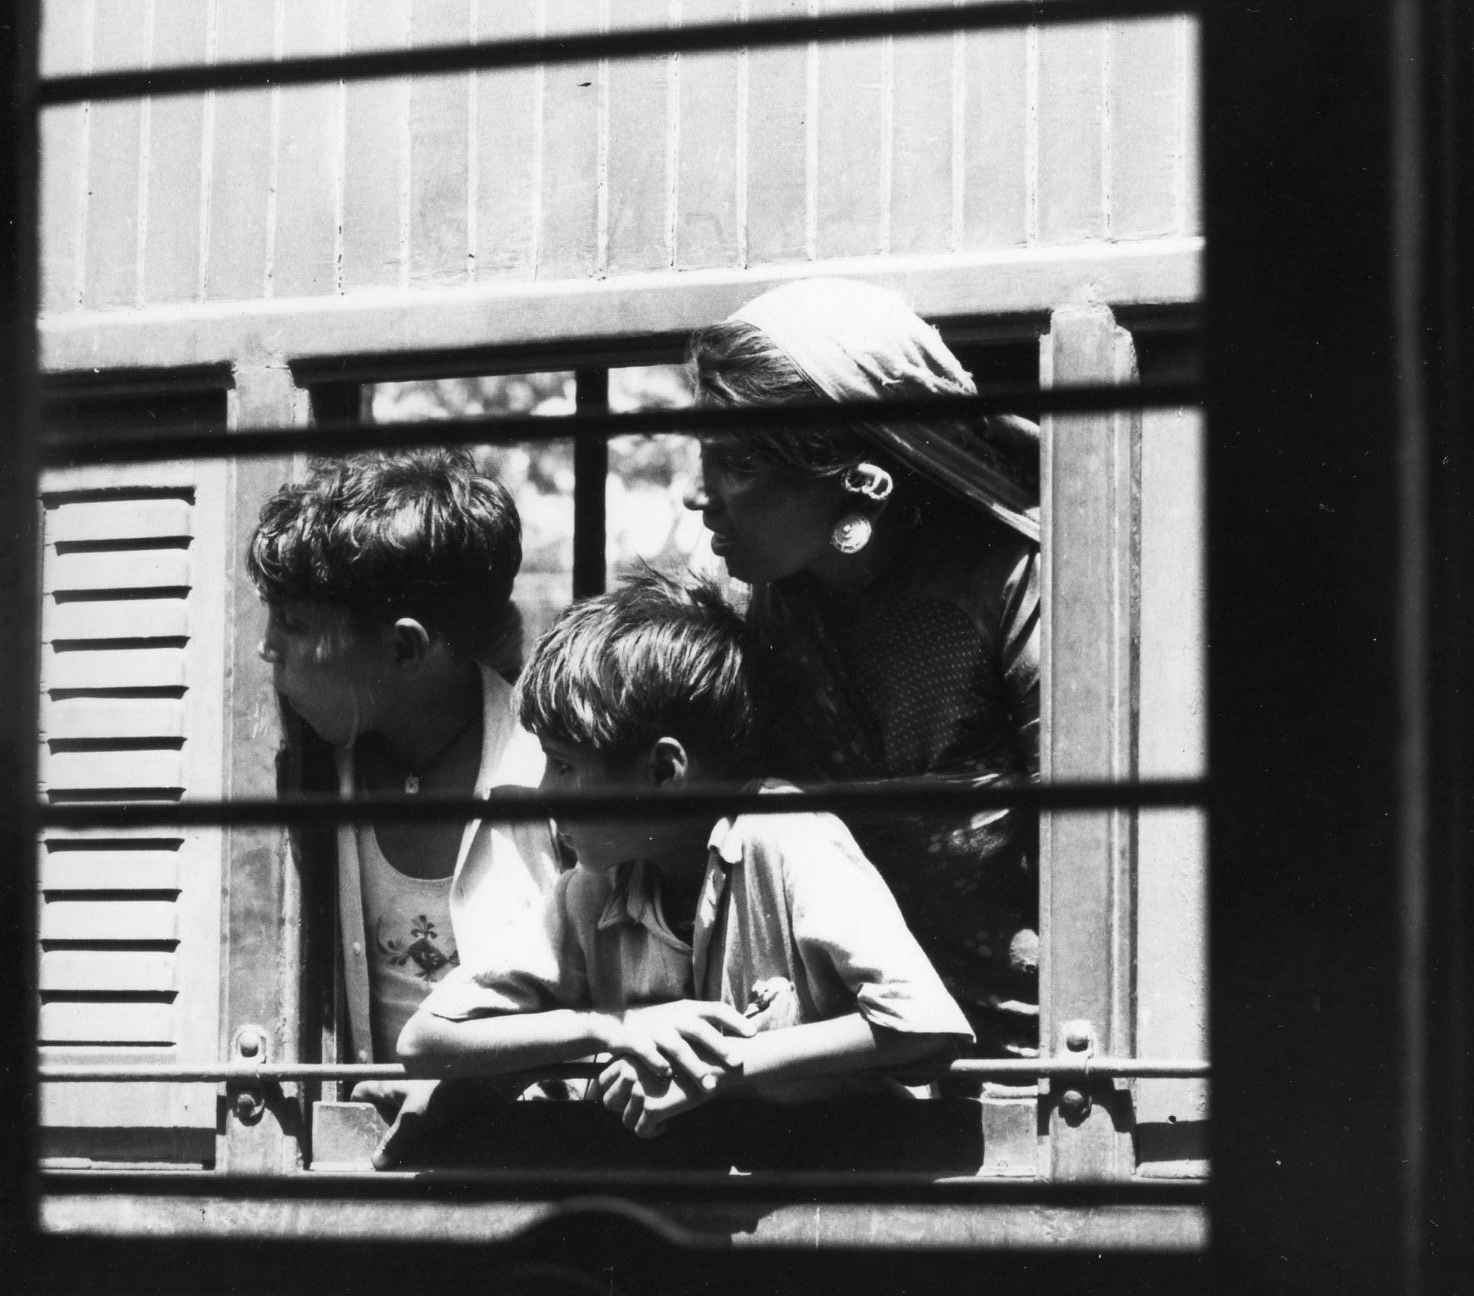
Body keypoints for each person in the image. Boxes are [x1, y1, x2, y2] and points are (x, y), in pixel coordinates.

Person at [397, 570, 973, 1142]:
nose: (543, 790)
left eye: (565, 765)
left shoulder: (786, 835)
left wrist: (717, 1069)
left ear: (666, 770)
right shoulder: (592, 890)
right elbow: (424, 1040)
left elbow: (923, 1024)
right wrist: (612, 1030)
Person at [684, 277, 1041, 1058]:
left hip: (1017, 1053)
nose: (695, 496)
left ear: (860, 477)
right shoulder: (748, 601)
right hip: (804, 1048)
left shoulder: (1015, 584)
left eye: (736, 461)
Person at [249, 448, 564, 1152]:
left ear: (404, 650)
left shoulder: (559, 778)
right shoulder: (311, 770)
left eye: (294, 626)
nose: (266, 648)